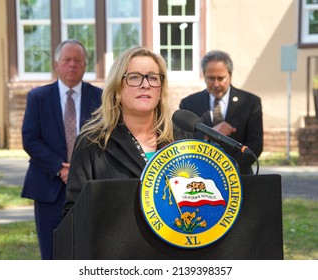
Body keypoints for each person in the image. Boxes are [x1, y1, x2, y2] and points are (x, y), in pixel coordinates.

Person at [62, 46, 175, 217]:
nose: (145, 85)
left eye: (153, 77)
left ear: (161, 88)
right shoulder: (92, 143)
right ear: (117, 89)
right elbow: (73, 214)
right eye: (135, 77)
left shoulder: (180, 139)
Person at [21, 39, 102, 259]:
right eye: (67, 60)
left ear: (85, 65)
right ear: (57, 64)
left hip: (88, 188)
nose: (72, 65)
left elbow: (104, 139)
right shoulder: (38, 97)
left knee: (86, 253)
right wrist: (60, 168)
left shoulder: (100, 98)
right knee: (51, 253)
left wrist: (79, 170)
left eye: (78, 60)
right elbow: (30, 139)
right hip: (49, 187)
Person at [179, 50, 263, 174]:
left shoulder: (250, 103)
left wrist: (228, 168)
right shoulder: (189, 104)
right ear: (204, 75)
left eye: (221, 78)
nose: (216, 84)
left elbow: (255, 144)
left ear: (230, 75)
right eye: (211, 78)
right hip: (200, 175)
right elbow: (183, 141)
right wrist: (208, 134)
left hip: (239, 176)